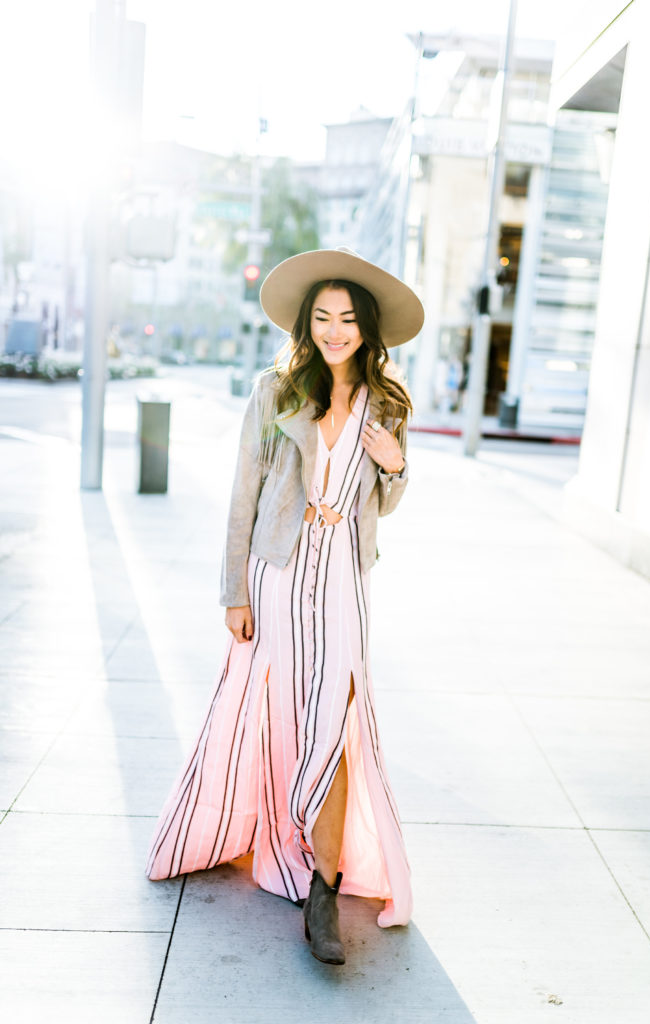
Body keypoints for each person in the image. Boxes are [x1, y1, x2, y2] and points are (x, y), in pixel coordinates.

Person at [145, 248, 424, 966]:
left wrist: (394, 464)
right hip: (277, 572)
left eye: (349, 319)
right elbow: (244, 495)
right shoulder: (275, 393)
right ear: (308, 323)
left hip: (342, 585)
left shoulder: (387, 400)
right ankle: (287, 859)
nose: (336, 331)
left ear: (368, 330)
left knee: (336, 720)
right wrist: (233, 591)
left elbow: (386, 500)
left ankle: (323, 891)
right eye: (324, 318)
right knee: (276, 718)